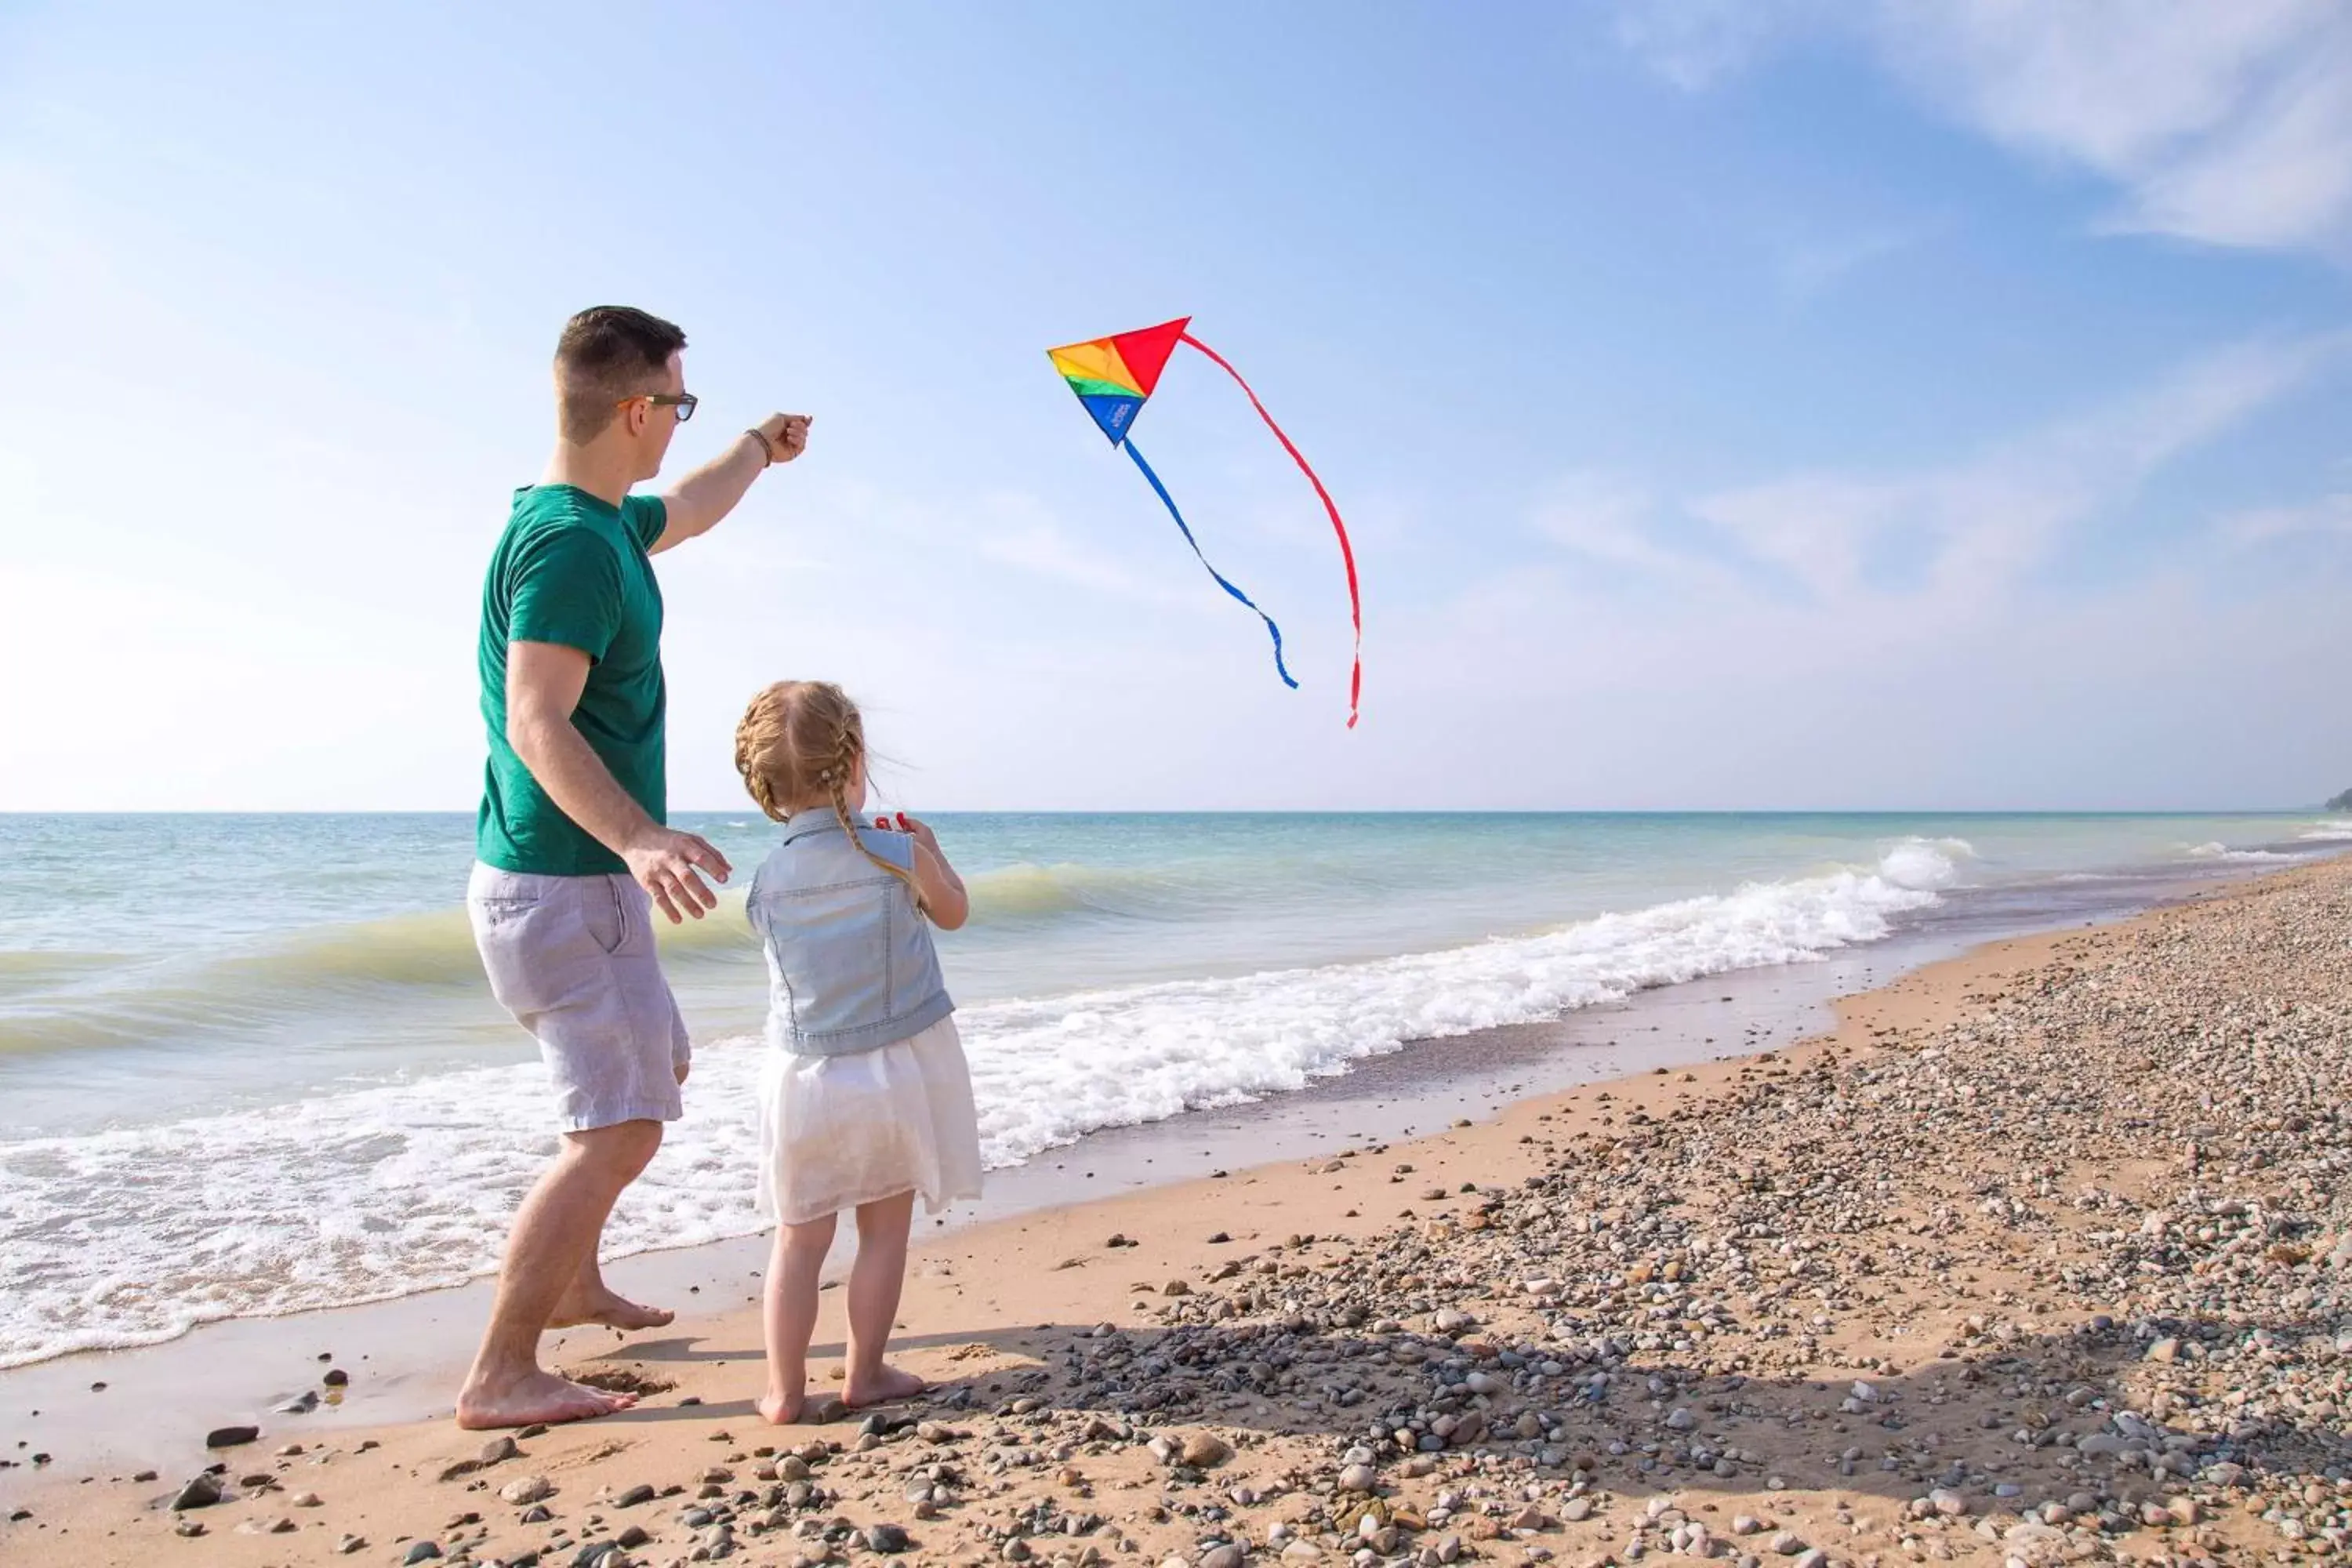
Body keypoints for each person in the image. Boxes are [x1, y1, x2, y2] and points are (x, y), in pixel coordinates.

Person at [458, 306, 811, 1430]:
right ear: (633, 409)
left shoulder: (598, 522)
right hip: (563, 881)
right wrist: (639, 838)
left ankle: (572, 1282)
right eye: (680, 402)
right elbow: (535, 718)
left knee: (655, 1065)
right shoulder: (568, 546)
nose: (679, 422)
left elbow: (692, 511)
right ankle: (502, 1372)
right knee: (617, 1127)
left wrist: (756, 446)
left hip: (569, 882)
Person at [731, 681, 982, 1422]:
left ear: (766, 783)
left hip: (803, 1078)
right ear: (854, 760)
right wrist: (929, 852)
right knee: (882, 1232)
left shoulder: (768, 876)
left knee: (798, 1240)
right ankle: (863, 1371)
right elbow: (955, 915)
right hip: (893, 1070)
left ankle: (782, 1390)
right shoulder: (894, 852)